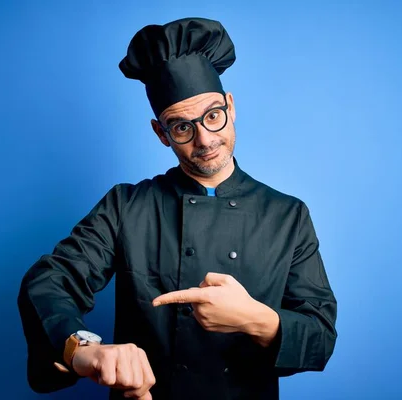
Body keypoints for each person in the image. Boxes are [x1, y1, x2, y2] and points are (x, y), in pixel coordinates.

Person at [17, 17, 338, 400]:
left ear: (230, 107)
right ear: (160, 133)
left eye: (213, 116)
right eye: (182, 127)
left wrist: (255, 318)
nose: (204, 139)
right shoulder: (126, 205)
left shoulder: (288, 216)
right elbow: (51, 280)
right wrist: (83, 349)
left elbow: (320, 337)